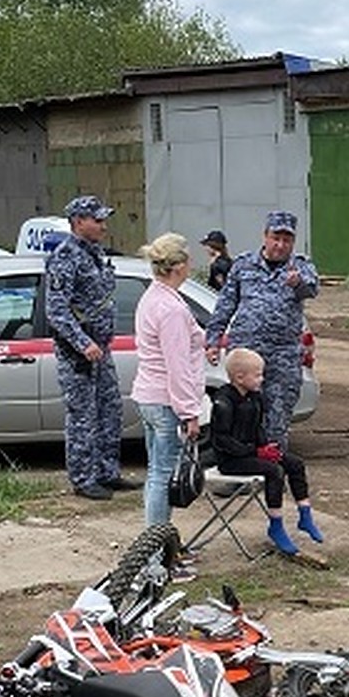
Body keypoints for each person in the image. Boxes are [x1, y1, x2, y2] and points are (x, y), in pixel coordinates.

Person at [45, 195, 142, 501]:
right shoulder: (66, 256)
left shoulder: (95, 254)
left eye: (103, 220)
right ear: (78, 223)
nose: (103, 225)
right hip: (79, 354)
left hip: (102, 349)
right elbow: (56, 310)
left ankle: (107, 472)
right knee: (82, 416)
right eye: (97, 220)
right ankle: (83, 477)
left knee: (110, 410)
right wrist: (82, 342)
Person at [204, 210, 318, 450]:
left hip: (282, 356)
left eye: (287, 240)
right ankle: (243, 470)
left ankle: (272, 473)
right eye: (276, 238)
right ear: (265, 236)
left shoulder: (300, 266)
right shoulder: (244, 265)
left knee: (276, 420)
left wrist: (298, 283)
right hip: (246, 355)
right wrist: (213, 339)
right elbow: (226, 304)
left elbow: (311, 291)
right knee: (242, 416)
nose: (280, 245)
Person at [131, 233, 206, 575]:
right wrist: (190, 411)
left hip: (148, 396)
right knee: (163, 478)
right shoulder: (172, 308)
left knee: (156, 475)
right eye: (188, 260)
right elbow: (177, 365)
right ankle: (155, 559)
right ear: (177, 267)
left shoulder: (153, 298)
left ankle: (164, 549)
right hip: (165, 402)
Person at [210, 347, 323, 556]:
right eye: (258, 375)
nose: (262, 379)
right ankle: (276, 525)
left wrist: (266, 447)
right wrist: (255, 451)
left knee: (294, 463)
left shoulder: (255, 397)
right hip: (231, 460)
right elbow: (222, 440)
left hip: (252, 452)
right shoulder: (223, 401)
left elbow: (258, 428)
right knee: (274, 471)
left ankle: (305, 515)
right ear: (239, 377)